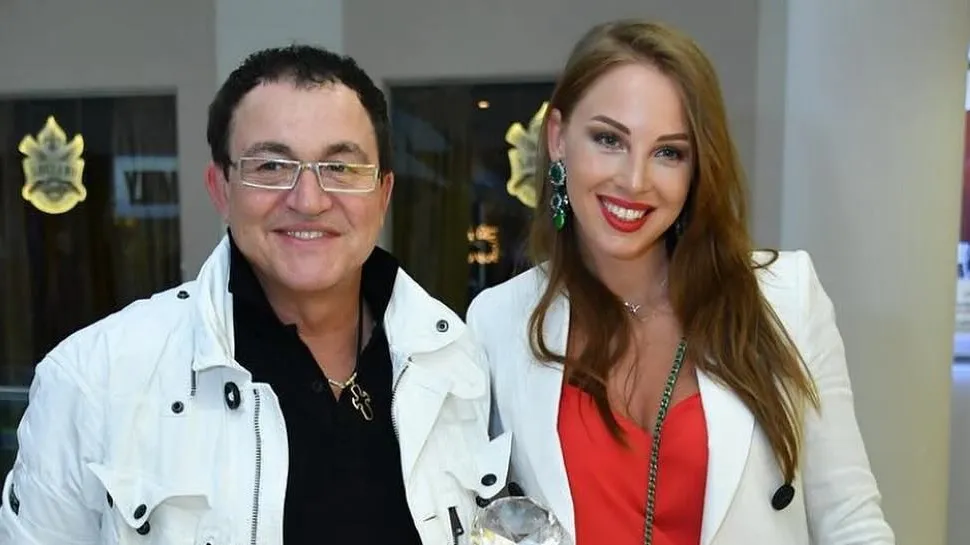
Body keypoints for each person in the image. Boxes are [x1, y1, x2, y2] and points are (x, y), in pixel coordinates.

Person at [0, 45, 510, 545]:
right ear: (221, 188)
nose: (309, 200)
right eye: (271, 167)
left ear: (383, 194)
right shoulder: (94, 379)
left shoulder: (454, 360)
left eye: (340, 168)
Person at [467, 19, 895, 545]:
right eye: (608, 139)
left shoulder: (786, 298)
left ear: (697, 168)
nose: (634, 180)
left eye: (668, 152)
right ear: (558, 138)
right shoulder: (496, 322)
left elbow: (852, 523)